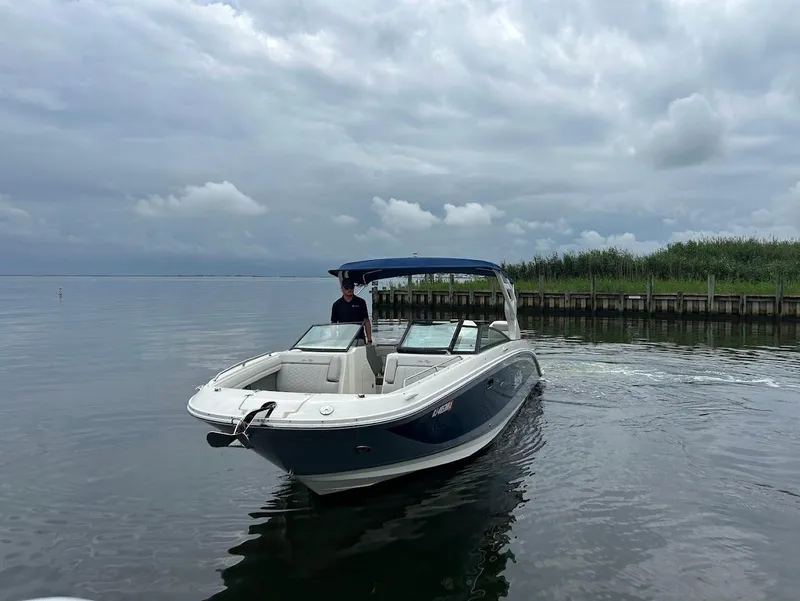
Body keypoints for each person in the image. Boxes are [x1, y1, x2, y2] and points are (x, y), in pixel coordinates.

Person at [330, 277, 372, 344]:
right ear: (342, 289)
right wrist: (333, 341)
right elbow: (334, 324)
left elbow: (366, 321)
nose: (349, 289)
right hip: (343, 339)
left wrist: (369, 340)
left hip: (359, 338)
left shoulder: (361, 302)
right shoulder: (336, 305)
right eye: (347, 287)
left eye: (351, 287)